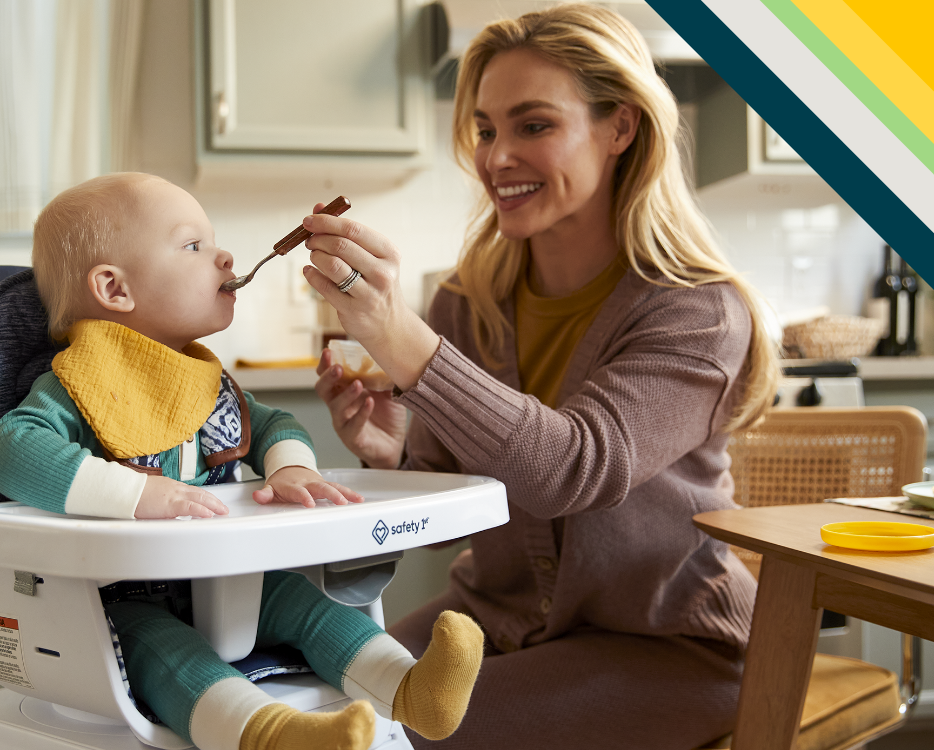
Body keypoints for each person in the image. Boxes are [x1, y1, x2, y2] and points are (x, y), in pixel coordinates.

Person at [302, 5, 776, 749]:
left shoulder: (698, 311)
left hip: (669, 646)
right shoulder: (467, 301)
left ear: (620, 128)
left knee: (393, 736)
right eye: (486, 129)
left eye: (533, 126)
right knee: (305, 704)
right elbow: (440, 525)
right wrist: (395, 457)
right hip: (498, 624)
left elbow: (576, 468)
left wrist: (402, 339)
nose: (495, 157)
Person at [0, 173, 484, 750]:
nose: (224, 256)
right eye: (193, 246)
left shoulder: (206, 379)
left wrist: (290, 469)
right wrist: (133, 496)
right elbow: (13, 450)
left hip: (230, 585)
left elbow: (277, 425)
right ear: (114, 288)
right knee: (164, 653)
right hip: (121, 599)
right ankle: (268, 734)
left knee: (304, 603)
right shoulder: (77, 383)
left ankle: (411, 687)